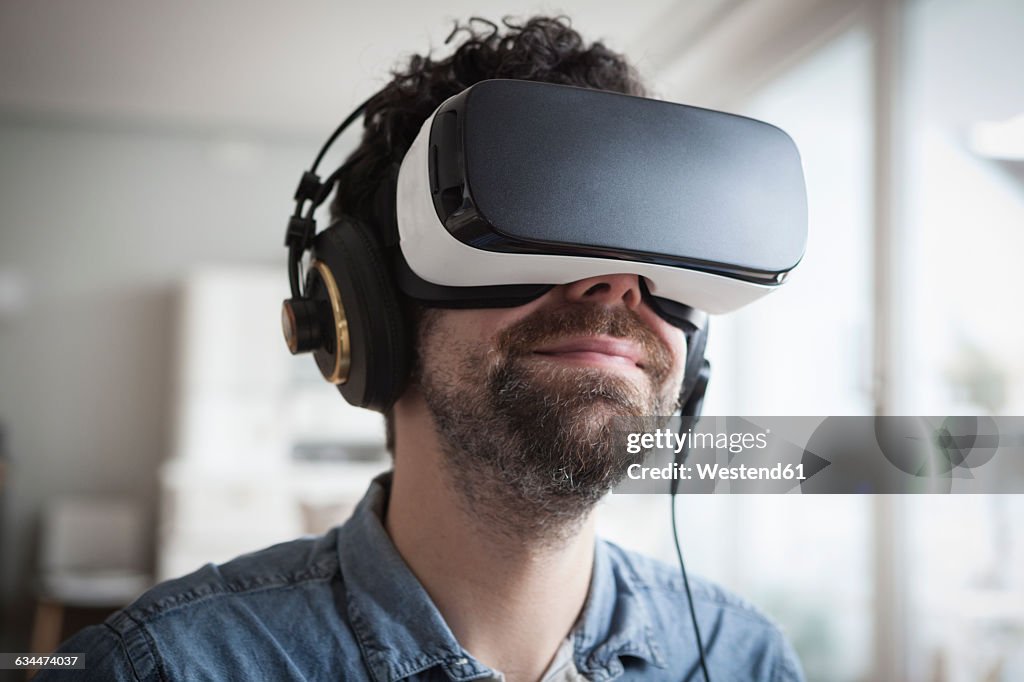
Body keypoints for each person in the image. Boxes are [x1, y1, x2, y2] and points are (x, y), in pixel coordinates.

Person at [44, 16, 805, 681]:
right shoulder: (162, 668)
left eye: (651, 247)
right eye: (539, 229)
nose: (614, 285)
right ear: (364, 310)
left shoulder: (745, 659)